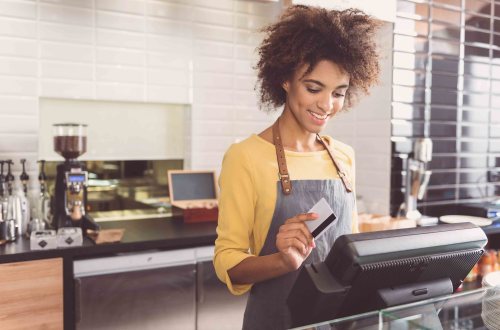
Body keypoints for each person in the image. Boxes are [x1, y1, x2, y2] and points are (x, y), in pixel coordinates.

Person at [214, 5, 380, 329]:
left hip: (340, 322)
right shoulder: (245, 157)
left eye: (338, 93)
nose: (326, 105)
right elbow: (227, 261)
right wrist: (281, 261)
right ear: (285, 79)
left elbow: (352, 253)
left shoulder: (343, 156)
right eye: (314, 88)